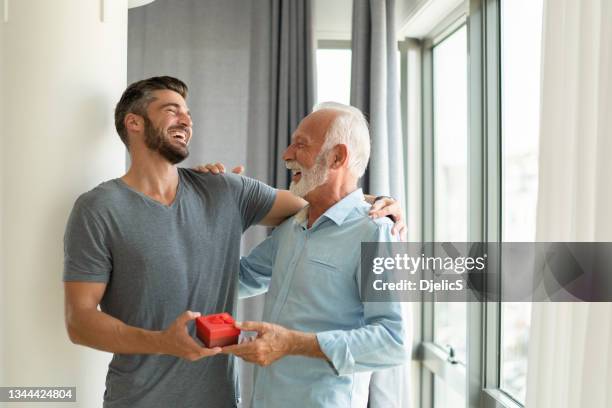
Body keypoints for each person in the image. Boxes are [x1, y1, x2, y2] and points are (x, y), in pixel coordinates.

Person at [63, 77, 404, 408]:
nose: (186, 119)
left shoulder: (228, 190)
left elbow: (392, 340)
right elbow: (80, 322)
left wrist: (379, 205)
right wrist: (162, 341)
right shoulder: (99, 208)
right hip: (145, 398)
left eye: (300, 144)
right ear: (133, 123)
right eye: (172, 110)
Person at [221, 102, 409, 407]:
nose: (286, 154)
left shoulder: (376, 232)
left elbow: (393, 342)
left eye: (300, 144)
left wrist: (294, 344)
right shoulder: (294, 226)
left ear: (337, 157)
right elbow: (241, 278)